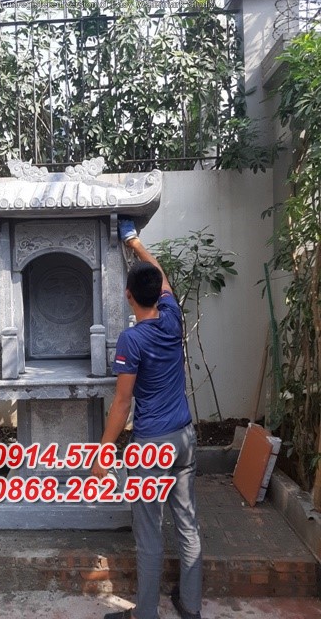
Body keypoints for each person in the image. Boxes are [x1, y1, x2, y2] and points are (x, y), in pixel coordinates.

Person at [92, 218, 203, 619]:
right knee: (187, 524)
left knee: (150, 532)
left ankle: (145, 614)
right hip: (184, 439)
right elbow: (163, 277)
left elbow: (122, 403)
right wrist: (135, 243)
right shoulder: (172, 317)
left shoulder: (132, 339)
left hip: (153, 446)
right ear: (158, 294)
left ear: (128, 296)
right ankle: (190, 606)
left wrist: (103, 452)